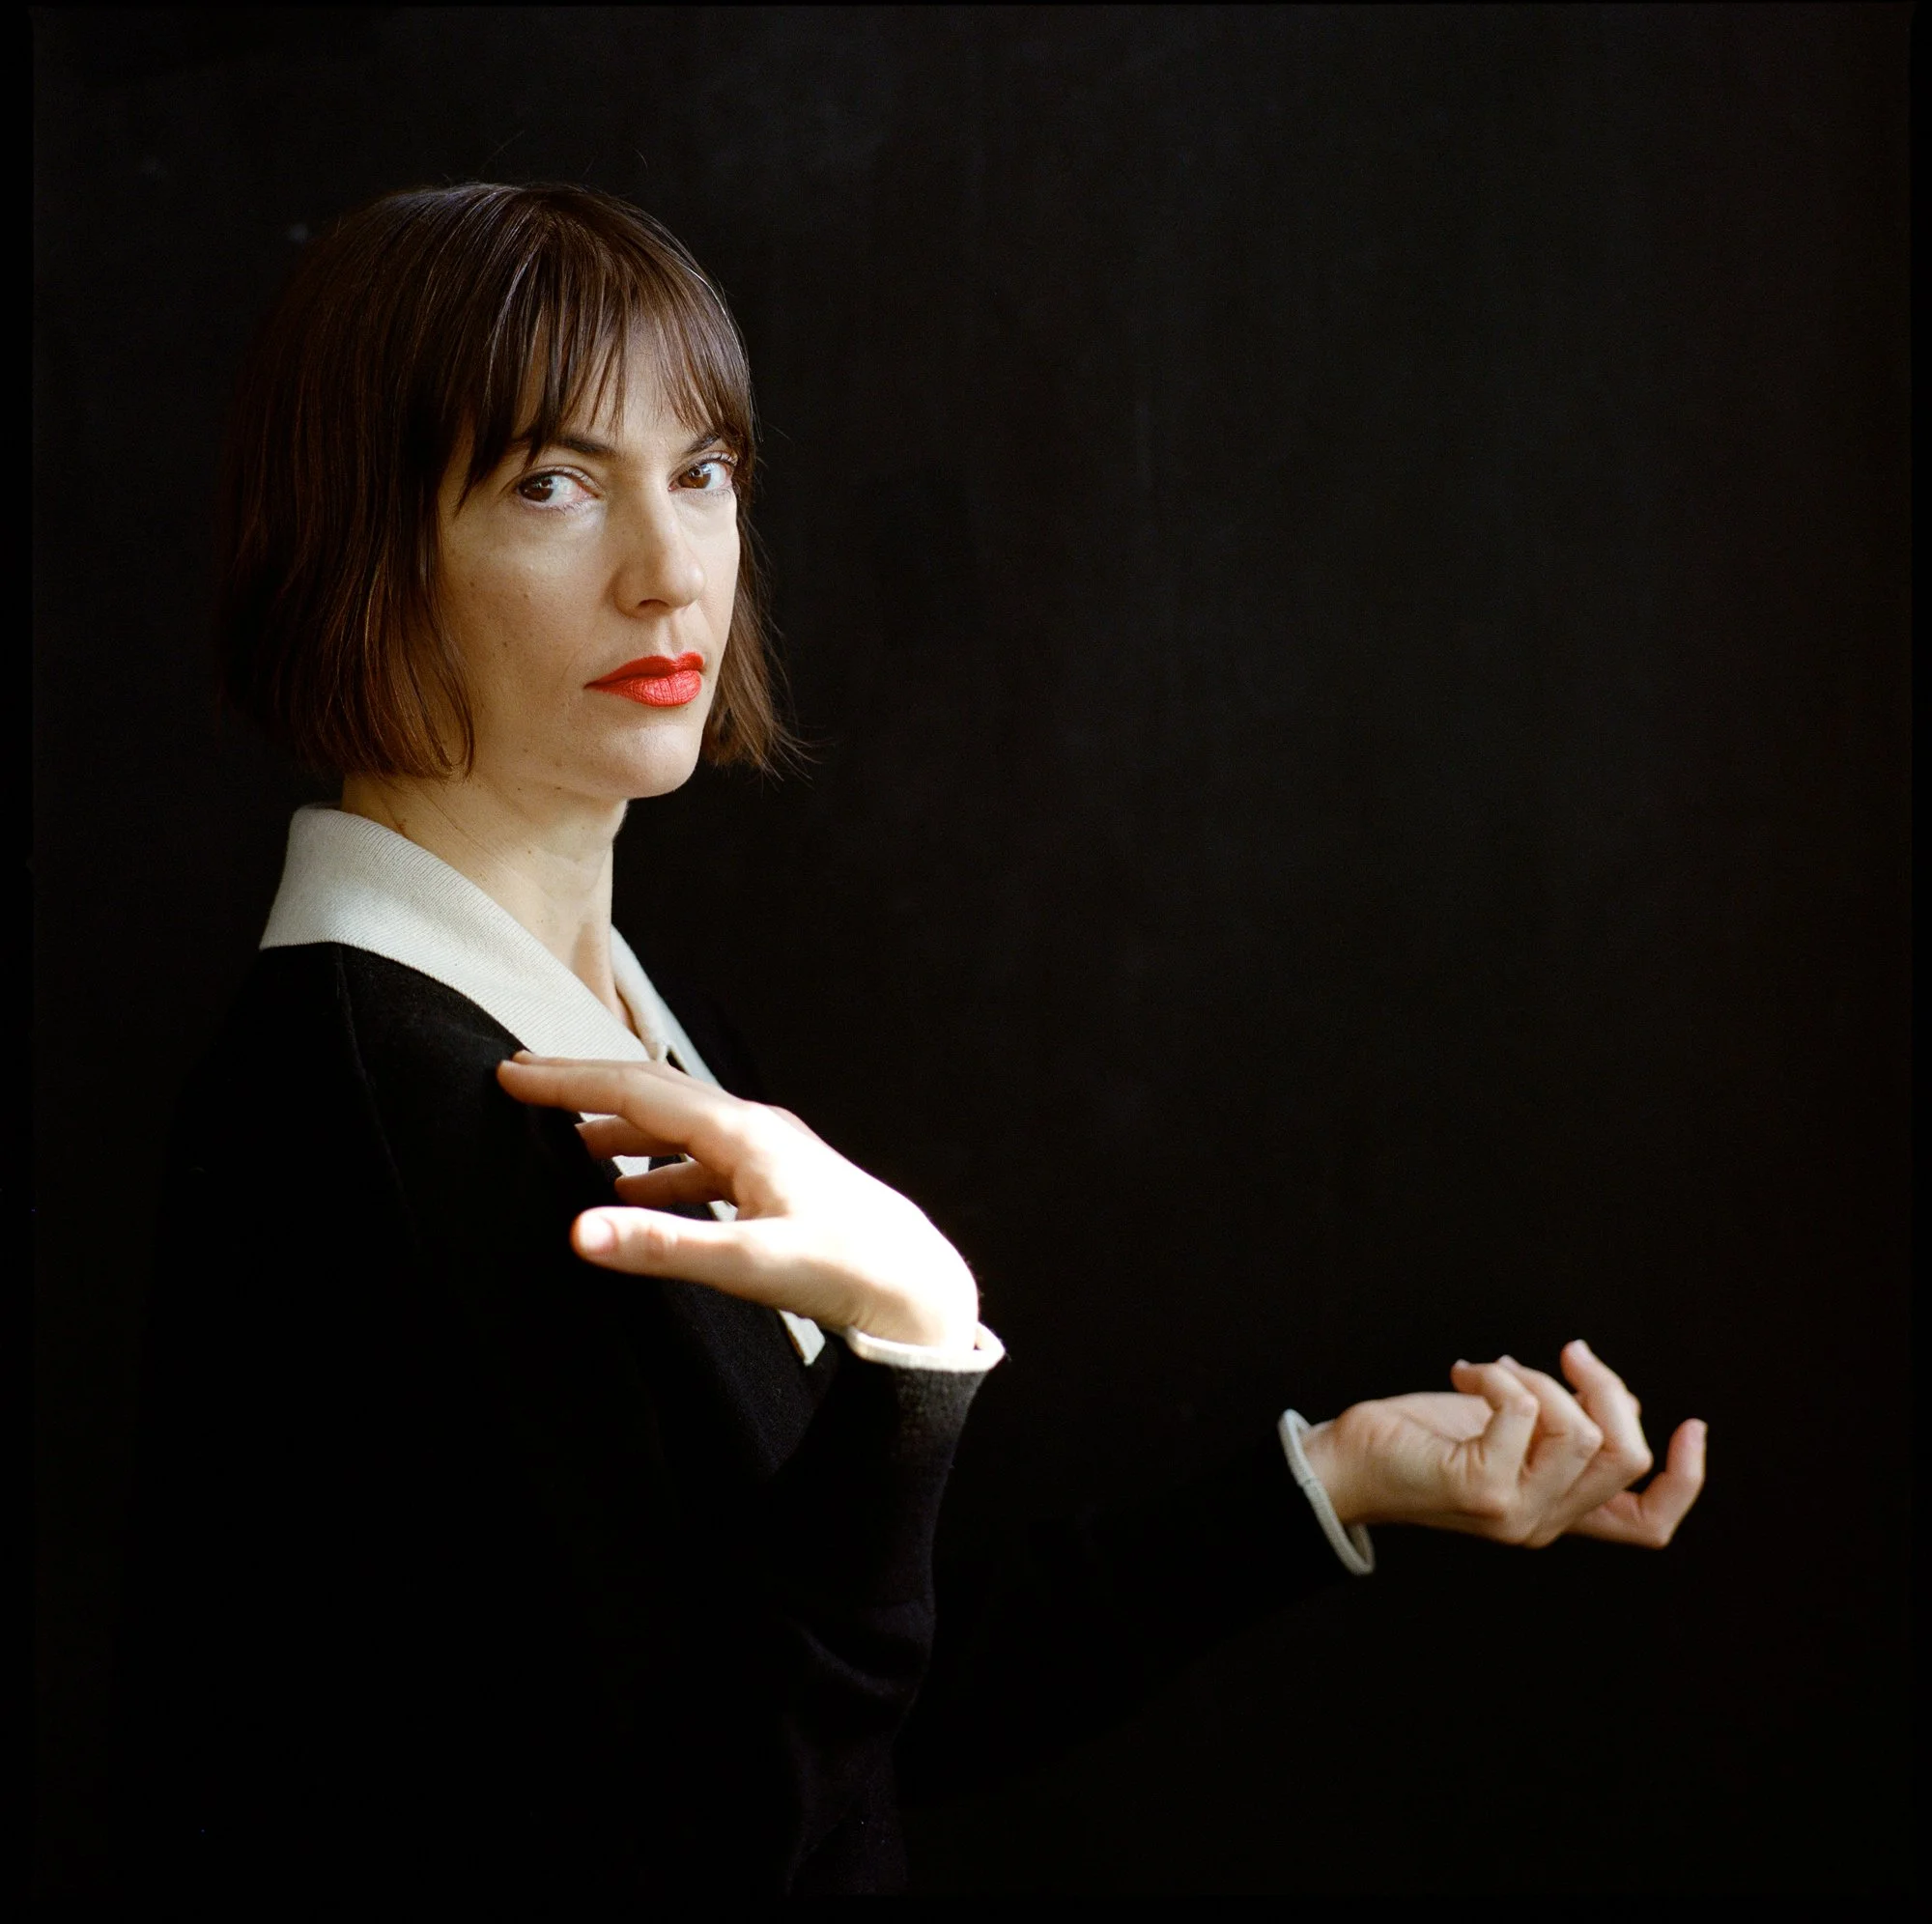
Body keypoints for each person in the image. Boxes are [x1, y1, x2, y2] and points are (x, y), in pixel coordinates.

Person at [115, 182, 1706, 1903]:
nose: (670, 570)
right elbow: (693, 1848)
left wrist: (1327, 1483)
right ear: (361, 542)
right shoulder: (357, 1122)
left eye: (703, 471)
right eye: (553, 483)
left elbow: (868, 1704)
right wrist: (911, 1359)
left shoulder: (631, 1020)